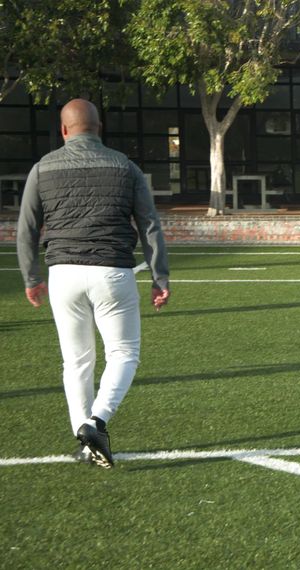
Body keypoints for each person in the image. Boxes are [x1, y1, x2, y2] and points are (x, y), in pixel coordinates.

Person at [17, 99, 171, 468]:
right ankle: (96, 423)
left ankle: (87, 443)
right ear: (99, 128)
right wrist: (159, 276)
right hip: (112, 272)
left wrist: (31, 277)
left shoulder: (42, 168)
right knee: (124, 354)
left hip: (63, 274)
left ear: (63, 130)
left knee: (76, 362)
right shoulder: (125, 166)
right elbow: (149, 224)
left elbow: (27, 229)